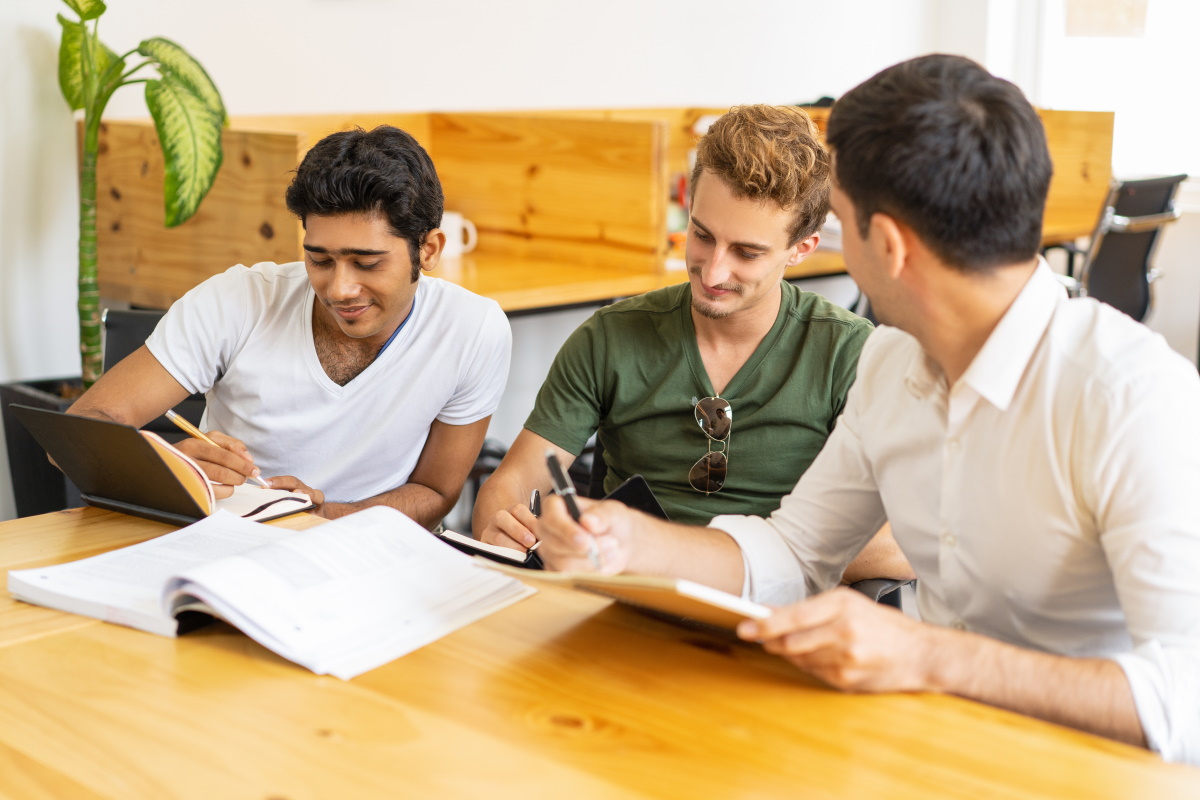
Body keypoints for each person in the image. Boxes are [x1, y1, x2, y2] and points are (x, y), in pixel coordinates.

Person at [532, 55, 1200, 764]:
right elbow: (795, 552)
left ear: (887, 244)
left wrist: (929, 656)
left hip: (1065, 765)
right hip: (902, 735)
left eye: (843, 224)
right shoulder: (888, 363)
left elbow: (1185, 699)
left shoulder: (1132, 398)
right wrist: (627, 543)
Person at [473, 104, 910, 586]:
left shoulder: (851, 354)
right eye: (701, 235)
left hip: (777, 615)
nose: (713, 271)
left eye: (747, 252)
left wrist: (708, 558)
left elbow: (905, 545)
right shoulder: (609, 338)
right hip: (624, 603)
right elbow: (513, 482)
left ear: (802, 248)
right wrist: (503, 524)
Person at [68, 125, 511, 527]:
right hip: (226, 544)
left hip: (370, 552)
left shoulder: (472, 330)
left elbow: (436, 491)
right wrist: (162, 466)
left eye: (367, 263)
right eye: (319, 259)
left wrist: (325, 516)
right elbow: (77, 432)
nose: (339, 288)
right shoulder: (240, 300)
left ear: (429, 250)